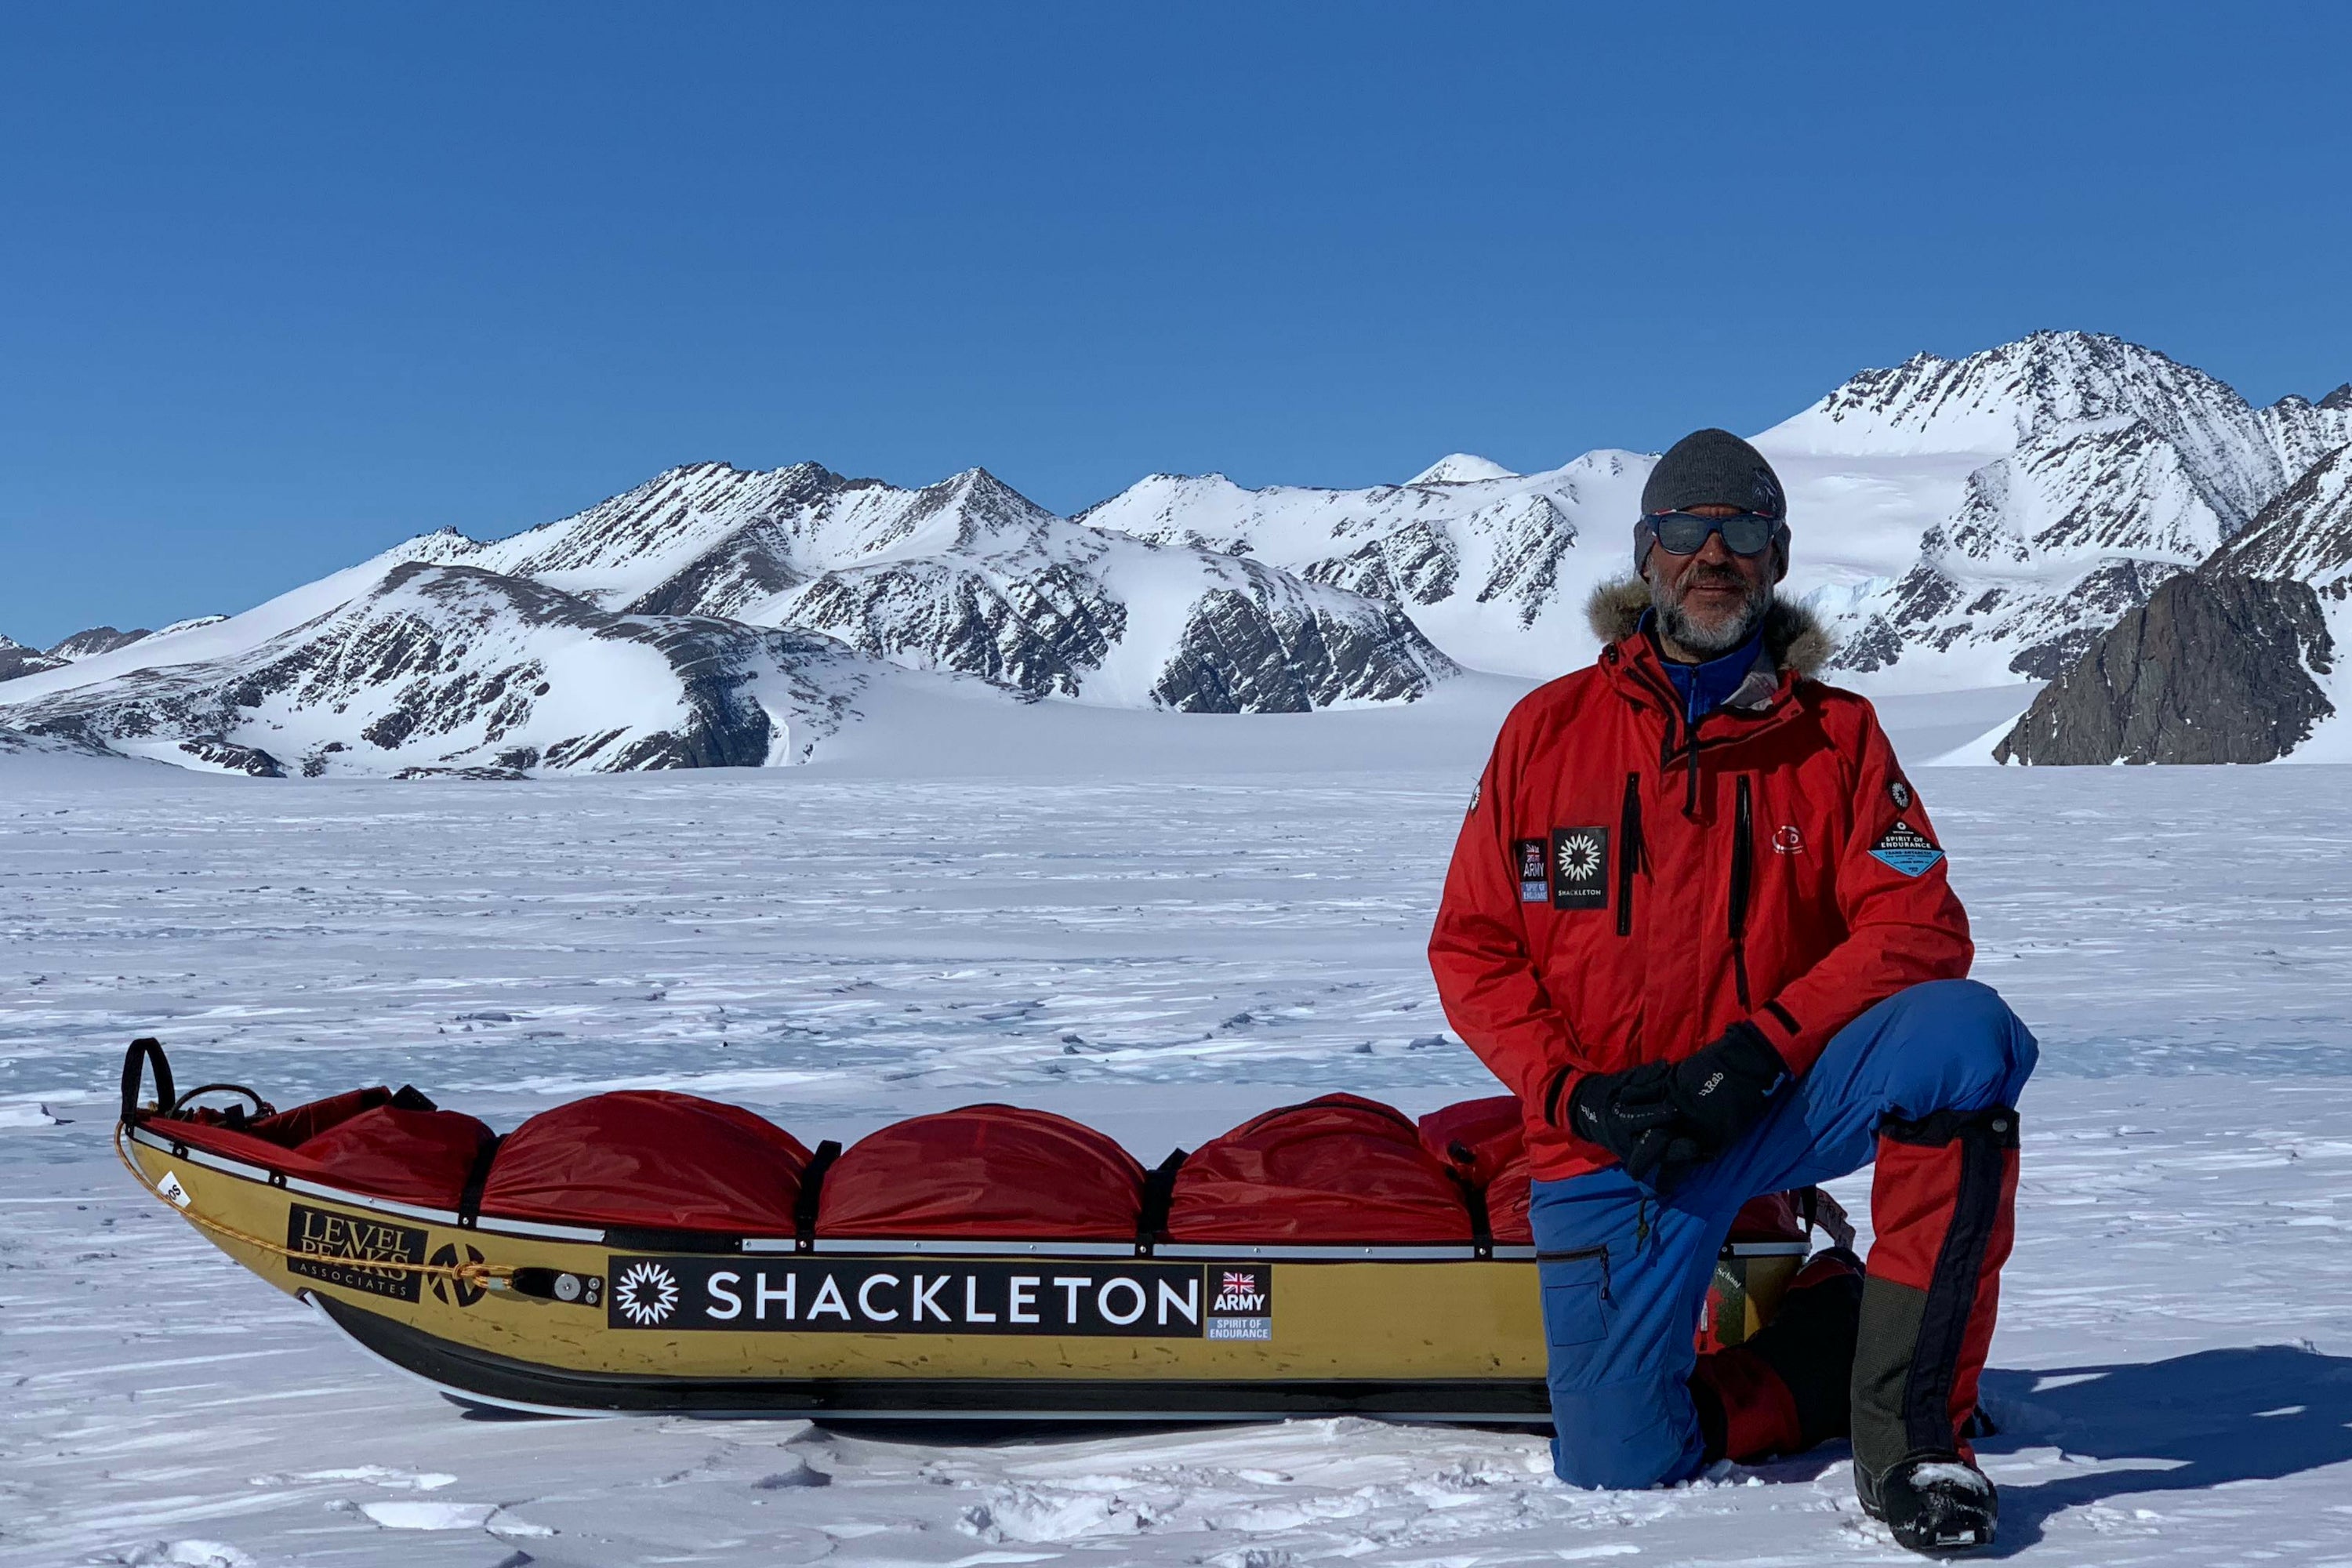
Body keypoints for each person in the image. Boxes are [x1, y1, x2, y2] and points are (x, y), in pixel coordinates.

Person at [1428, 428, 2036, 1555]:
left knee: (1965, 1037)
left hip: (1773, 1103)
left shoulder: (1837, 736)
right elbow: (1471, 949)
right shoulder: (1547, 733)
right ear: (1647, 554)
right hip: (1614, 1137)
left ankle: (1913, 1440)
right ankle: (1829, 1340)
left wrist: (1762, 1049)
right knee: (1619, 1460)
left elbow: (1920, 924)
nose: (1717, 554)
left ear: (1780, 555)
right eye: (1689, 532)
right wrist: (1576, 1096)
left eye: (1744, 530)